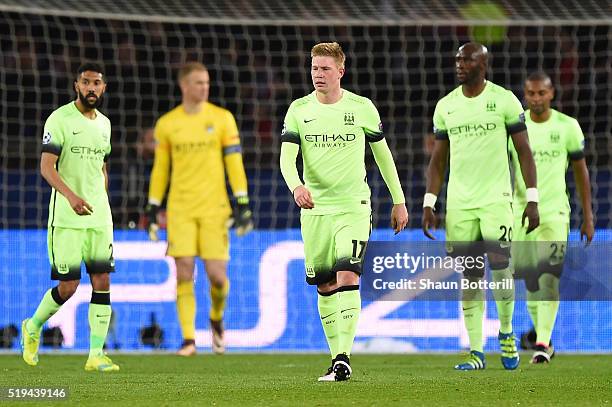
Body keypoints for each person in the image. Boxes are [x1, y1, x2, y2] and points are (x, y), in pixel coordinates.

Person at [280, 42, 408, 382]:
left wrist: (399, 200)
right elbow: (285, 158)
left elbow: (383, 156)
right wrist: (296, 186)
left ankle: (343, 358)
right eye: (314, 68)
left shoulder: (361, 108)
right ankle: (335, 354)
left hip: (354, 206)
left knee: (348, 274)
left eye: (325, 68)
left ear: (341, 71)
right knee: (324, 285)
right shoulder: (298, 110)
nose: (318, 74)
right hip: (315, 210)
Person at [422, 43, 539, 370]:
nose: (460, 63)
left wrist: (532, 198)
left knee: (502, 268)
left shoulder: (503, 100)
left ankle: (506, 332)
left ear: (483, 63)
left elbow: (524, 152)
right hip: (460, 203)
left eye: (467, 58)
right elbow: (437, 160)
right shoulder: (446, 106)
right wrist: (430, 202)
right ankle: (476, 351)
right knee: (470, 274)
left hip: (496, 200)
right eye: (458, 58)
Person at [145, 62, 253, 356]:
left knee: (218, 278)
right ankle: (189, 340)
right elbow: (160, 169)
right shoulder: (167, 124)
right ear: (184, 86)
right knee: (184, 272)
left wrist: (242, 201)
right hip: (180, 208)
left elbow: (234, 162)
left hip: (214, 208)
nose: (204, 87)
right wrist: (154, 206)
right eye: (198, 83)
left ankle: (216, 318)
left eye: (206, 82)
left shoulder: (222, 119)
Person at [21, 62, 118, 372]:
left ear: (104, 88)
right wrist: (71, 196)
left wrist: (102, 196)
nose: (92, 88)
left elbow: (102, 166)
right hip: (66, 217)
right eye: (86, 82)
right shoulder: (60, 119)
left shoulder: (105, 124)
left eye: (97, 83)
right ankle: (33, 326)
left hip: (99, 217)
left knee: (102, 280)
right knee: (69, 286)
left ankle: (95, 355)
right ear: (77, 85)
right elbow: (46, 167)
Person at [510, 71, 594, 364]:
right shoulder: (516, 125)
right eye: (530, 94)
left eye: (540, 93)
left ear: (551, 94)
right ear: (525, 95)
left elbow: (581, 172)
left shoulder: (567, 126)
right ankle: (541, 334)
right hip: (520, 214)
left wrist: (588, 215)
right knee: (529, 279)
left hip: (556, 211)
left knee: (549, 278)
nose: (535, 99)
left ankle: (543, 343)